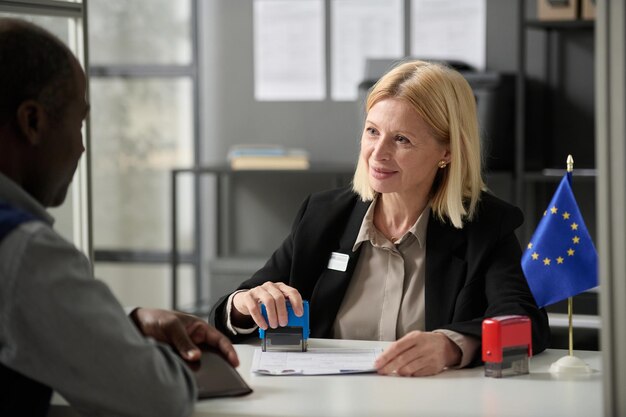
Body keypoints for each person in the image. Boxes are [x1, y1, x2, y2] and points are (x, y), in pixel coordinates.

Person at [210, 59, 550, 377]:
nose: (379, 152)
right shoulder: (324, 215)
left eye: (401, 139)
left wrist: (451, 346)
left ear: (447, 152)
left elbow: (525, 324)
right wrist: (243, 305)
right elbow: (231, 314)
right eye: (373, 131)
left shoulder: (487, 225)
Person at [0, 18, 238, 417]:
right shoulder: (22, 251)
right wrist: (151, 351)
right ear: (33, 122)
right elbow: (157, 398)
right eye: (78, 124)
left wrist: (120, 327)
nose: (80, 148)